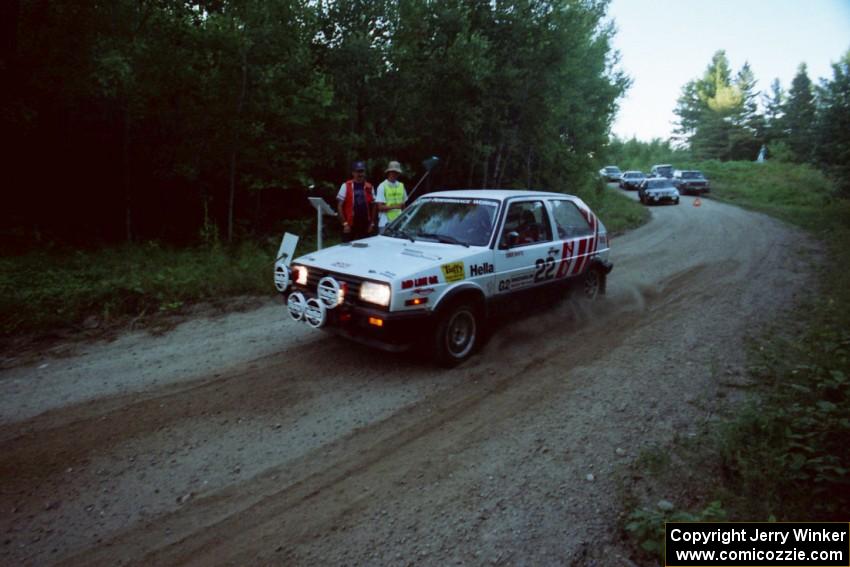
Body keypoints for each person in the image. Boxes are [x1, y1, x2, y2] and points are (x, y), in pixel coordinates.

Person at [336, 161, 375, 242]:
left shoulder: (369, 187)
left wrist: (372, 223)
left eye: (362, 171)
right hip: (350, 223)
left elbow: (374, 206)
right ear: (353, 173)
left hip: (365, 223)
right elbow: (339, 206)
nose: (360, 174)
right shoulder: (346, 185)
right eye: (358, 172)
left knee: (365, 247)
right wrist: (344, 223)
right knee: (346, 247)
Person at [374, 161, 408, 232]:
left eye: (396, 172)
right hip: (385, 222)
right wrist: (395, 206)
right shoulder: (382, 186)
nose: (394, 174)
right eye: (393, 171)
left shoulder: (401, 186)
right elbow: (379, 207)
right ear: (389, 172)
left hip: (398, 222)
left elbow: (403, 205)